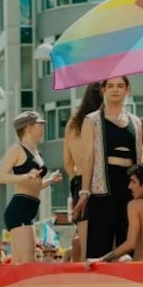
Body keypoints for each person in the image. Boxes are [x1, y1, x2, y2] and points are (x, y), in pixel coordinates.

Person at [73, 76, 143, 260]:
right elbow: (87, 158)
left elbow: (140, 159)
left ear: (127, 89)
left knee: (128, 243)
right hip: (102, 186)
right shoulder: (92, 120)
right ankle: (96, 285)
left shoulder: (135, 122)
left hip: (130, 187)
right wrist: (84, 192)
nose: (115, 90)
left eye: (120, 86)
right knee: (99, 244)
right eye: (110, 86)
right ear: (103, 90)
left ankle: (127, 284)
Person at [0, 111, 62, 264]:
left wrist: (50, 180)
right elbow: (1, 177)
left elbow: (34, 187)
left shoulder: (36, 152)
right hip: (19, 210)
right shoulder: (17, 149)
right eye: (40, 125)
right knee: (28, 263)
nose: (43, 128)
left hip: (28, 209)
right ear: (28, 128)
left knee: (20, 264)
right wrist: (25, 176)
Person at [62, 84, 102, 259]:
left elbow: (67, 163)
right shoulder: (102, 120)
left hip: (79, 181)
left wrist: (76, 179)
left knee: (84, 237)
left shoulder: (74, 122)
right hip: (101, 179)